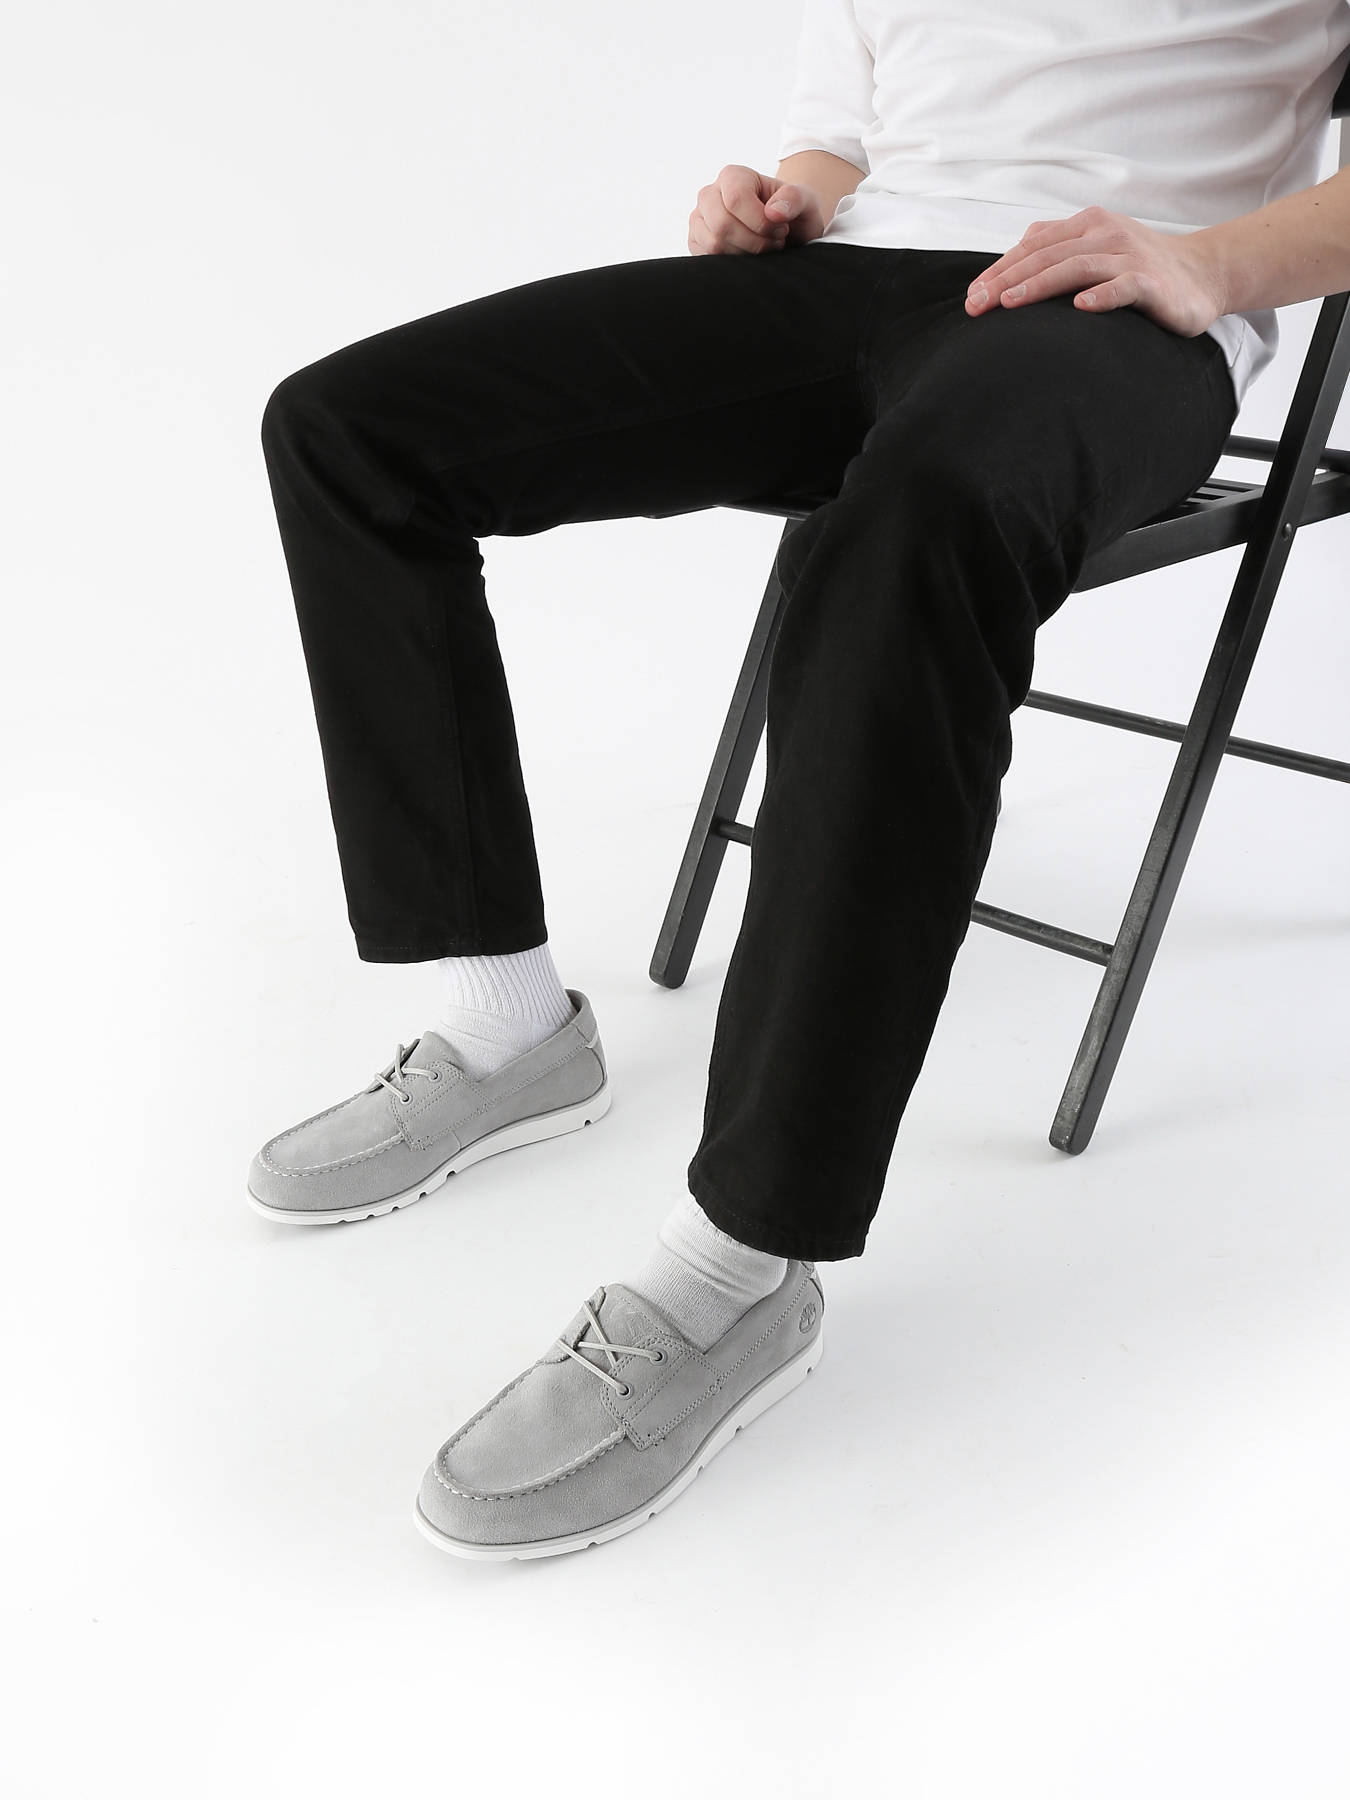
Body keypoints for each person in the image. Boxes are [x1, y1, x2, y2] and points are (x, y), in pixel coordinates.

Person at [252, 0, 1350, 1561]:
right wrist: (794, 195)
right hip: (848, 284)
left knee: (905, 531)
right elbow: (843, 130)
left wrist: (1217, 266)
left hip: (1111, 311)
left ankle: (738, 1267)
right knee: (350, 430)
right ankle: (504, 1027)